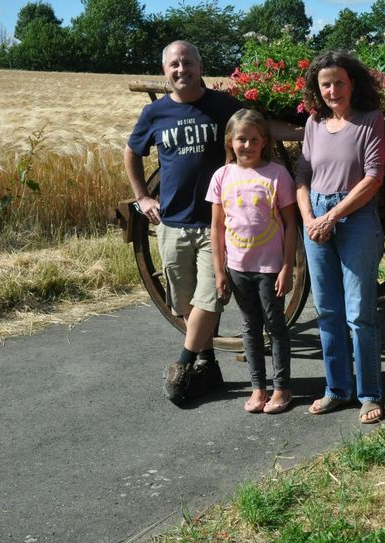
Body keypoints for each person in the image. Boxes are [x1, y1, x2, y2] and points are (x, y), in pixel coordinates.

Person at [125, 41, 241, 404]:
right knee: (184, 301)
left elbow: (257, 129)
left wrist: (309, 132)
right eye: (174, 64)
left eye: (187, 62)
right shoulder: (156, 114)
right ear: (165, 71)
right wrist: (143, 197)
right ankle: (209, 364)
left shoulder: (223, 106)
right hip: (173, 223)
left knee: (210, 296)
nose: (181, 69)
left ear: (200, 65)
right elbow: (132, 151)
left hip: (214, 224)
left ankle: (183, 363)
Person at [295, 50, 385, 424]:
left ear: (352, 84)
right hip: (316, 217)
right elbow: (302, 175)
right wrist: (310, 219)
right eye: (325, 84)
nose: (333, 90)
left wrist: (331, 216)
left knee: (359, 313)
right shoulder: (315, 124)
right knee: (328, 311)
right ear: (318, 89)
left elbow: (373, 177)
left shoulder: (370, 121)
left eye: (339, 83)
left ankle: (369, 394)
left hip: (355, 218)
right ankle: (336, 388)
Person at [207, 109, 298, 414]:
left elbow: (289, 225)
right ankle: (258, 387)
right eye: (240, 139)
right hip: (237, 267)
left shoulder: (277, 175)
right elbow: (217, 227)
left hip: (270, 267)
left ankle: (282, 388)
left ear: (264, 142)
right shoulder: (222, 176)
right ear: (230, 142)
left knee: (275, 325)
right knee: (250, 325)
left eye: (253, 139)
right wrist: (219, 270)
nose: (246, 145)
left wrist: (287, 266)